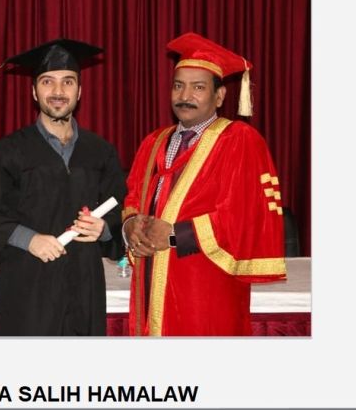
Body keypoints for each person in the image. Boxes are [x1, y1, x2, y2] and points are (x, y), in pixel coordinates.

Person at [123, 32, 287, 336]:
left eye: (198, 87)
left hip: (207, 290)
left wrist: (174, 236)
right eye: (178, 86)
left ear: (220, 96)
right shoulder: (153, 141)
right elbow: (133, 196)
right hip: (150, 283)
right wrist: (130, 225)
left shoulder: (239, 140)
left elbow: (243, 216)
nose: (185, 95)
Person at [0, 39, 127, 336]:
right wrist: (28, 239)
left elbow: (121, 208)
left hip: (84, 287)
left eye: (68, 82)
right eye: (47, 82)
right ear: (34, 91)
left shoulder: (101, 152)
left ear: (79, 91)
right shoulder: (8, 151)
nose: (58, 91)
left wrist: (104, 228)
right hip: (28, 288)